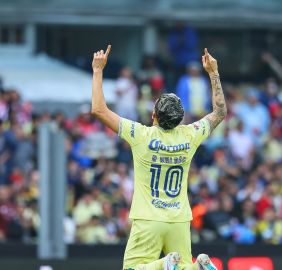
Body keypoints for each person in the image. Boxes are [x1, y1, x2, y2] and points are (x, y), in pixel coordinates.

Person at [90, 45, 224, 270]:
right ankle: (196, 267)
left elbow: (99, 110)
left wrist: (97, 70)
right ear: (180, 119)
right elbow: (220, 112)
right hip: (179, 219)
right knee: (183, 268)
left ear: (154, 115)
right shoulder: (190, 135)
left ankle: (162, 265)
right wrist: (213, 72)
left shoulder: (140, 135)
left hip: (148, 219)